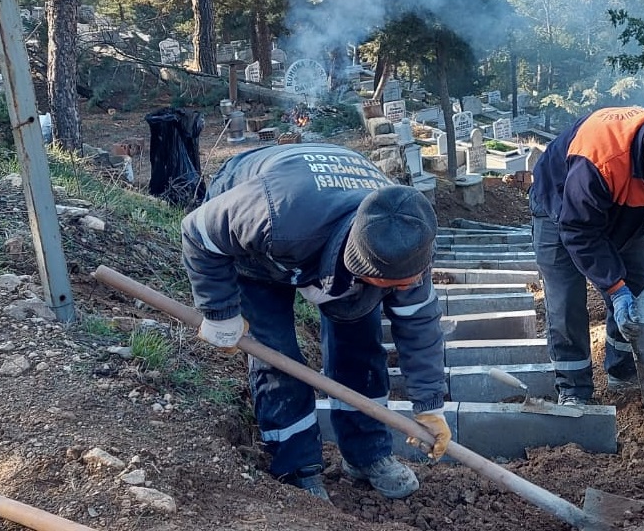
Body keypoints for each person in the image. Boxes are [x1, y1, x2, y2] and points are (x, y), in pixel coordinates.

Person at [181, 143, 451, 503]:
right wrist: (219, 312)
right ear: (367, 270)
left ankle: (367, 453)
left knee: (361, 346)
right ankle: (298, 467)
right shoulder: (275, 215)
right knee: (277, 355)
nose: (411, 286)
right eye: (399, 284)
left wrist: (430, 405)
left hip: (330, 224)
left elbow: (420, 325)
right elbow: (198, 232)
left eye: (411, 278)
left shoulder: (406, 239)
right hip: (258, 245)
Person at [529, 107, 644, 406]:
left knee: (641, 287)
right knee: (566, 303)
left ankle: (622, 371)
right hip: (561, 208)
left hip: (626, 208)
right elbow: (579, 231)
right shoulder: (600, 159)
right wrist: (615, 287)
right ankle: (574, 391)